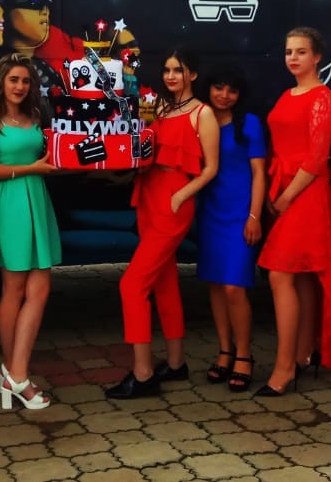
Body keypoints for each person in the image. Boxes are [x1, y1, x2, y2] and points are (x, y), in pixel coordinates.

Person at [106, 48, 220, 400]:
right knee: (163, 282)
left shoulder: (203, 113)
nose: (171, 76)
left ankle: (142, 374)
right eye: (168, 70)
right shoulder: (160, 109)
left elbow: (211, 169)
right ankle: (175, 363)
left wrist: (181, 195)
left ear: (193, 74)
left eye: (179, 70)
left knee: (132, 285)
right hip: (148, 195)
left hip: (174, 200)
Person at [256, 26, 331, 397]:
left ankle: (284, 367)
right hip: (285, 187)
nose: (293, 58)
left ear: (317, 57)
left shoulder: (323, 97)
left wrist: (287, 196)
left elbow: (318, 157)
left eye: (301, 52)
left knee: (279, 273)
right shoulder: (287, 94)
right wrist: (275, 191)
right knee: (302, 275)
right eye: (289, 51)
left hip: (307, 192)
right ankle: (305, 352)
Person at [0, 54, 60, 410]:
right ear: (1, 82)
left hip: (37, 200)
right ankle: (15, 375)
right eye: (14, 80)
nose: (20, 86)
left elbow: (50, 159)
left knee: (39, 289)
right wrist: (30, 169)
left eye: (25, 80)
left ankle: (14, 372)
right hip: (9, 202)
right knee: (14, 289)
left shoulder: (36, 116)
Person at [195, 63, 266, 393]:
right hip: (210, 213)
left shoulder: (249, 123)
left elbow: (259, 174)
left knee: (235, 287)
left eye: (232, 90)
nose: (224, 95)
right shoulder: (201, 120)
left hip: (240, 215)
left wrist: (254, 216)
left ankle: (245, 354)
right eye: (218, 87)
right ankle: (225, 351)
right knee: (216, 285)